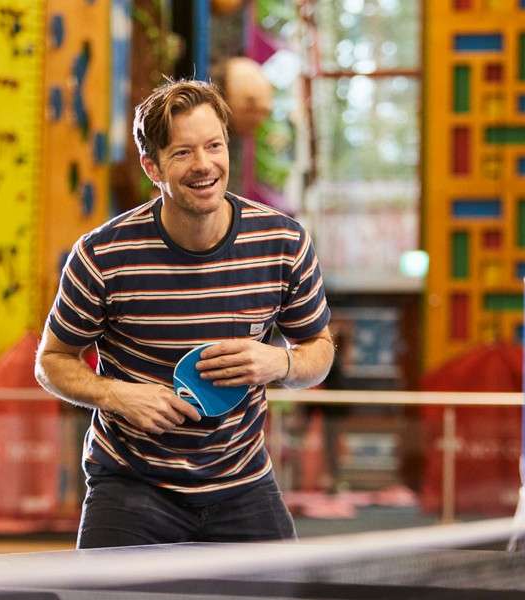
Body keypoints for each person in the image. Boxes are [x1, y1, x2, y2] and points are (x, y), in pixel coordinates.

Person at [34, 79, 335, 548]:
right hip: (132, 485)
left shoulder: (284, 243)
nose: (204, 165)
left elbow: (319, 350)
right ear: (151, 166)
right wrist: (118, 395)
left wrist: (281, 363)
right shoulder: (102, 254)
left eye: (214, 146)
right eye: (182, 153)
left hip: (243, 482)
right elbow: (51, 361)